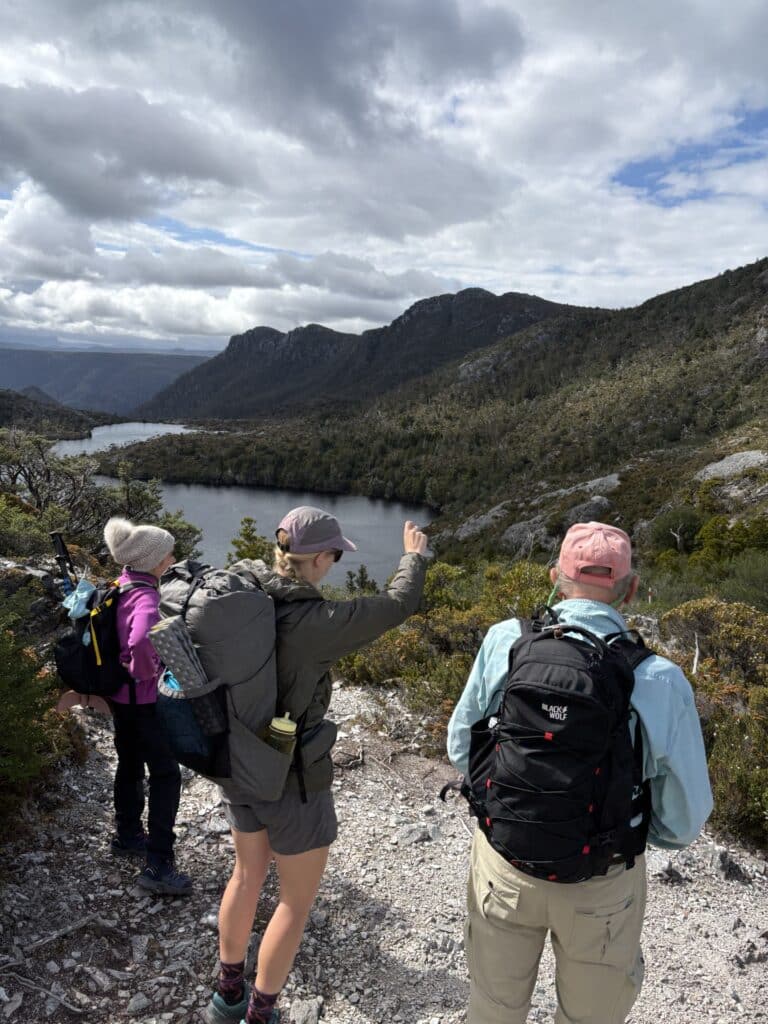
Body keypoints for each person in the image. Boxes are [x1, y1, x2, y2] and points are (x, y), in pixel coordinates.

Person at [447, 521, 713, 1024]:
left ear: (555, 577)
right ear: (630, 589)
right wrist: (624, 826)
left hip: (505, 863)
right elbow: (683, 822)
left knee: (494, 1009)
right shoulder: (658, 678)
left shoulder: (506, 640)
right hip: (602, 881)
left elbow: (462, 747)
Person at [205, 507, 428, 1024]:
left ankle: (227, 996)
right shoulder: (316, 624)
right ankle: (261, 1014)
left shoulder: (247, 596)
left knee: (245, 876)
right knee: (294, 902)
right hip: (290, 777)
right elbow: (398, 603)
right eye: (333, 555)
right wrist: (413, 559)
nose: (334, 564)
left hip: (236, 764)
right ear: (321, 558)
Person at [103, 516, 192, 896]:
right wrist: (146, 673)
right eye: (168, 551)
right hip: (143, 701)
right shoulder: (147, 597)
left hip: (121, 700)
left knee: (129, 763)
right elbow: (140, 642)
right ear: (155, 560)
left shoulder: (121, 585)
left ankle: (127, 835)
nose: (172, 556)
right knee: (166, 775)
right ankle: (158, 864)